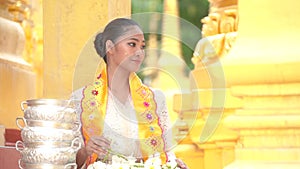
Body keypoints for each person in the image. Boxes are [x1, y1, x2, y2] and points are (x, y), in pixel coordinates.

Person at [73, 18, 189, 169]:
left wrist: (174, 164)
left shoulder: (155, 99)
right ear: (110, 47)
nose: (139, 52)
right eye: (132, 44)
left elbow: (166, 154)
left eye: (142, 46)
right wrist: (85, 151)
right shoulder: (81, 99)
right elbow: (69, 160)